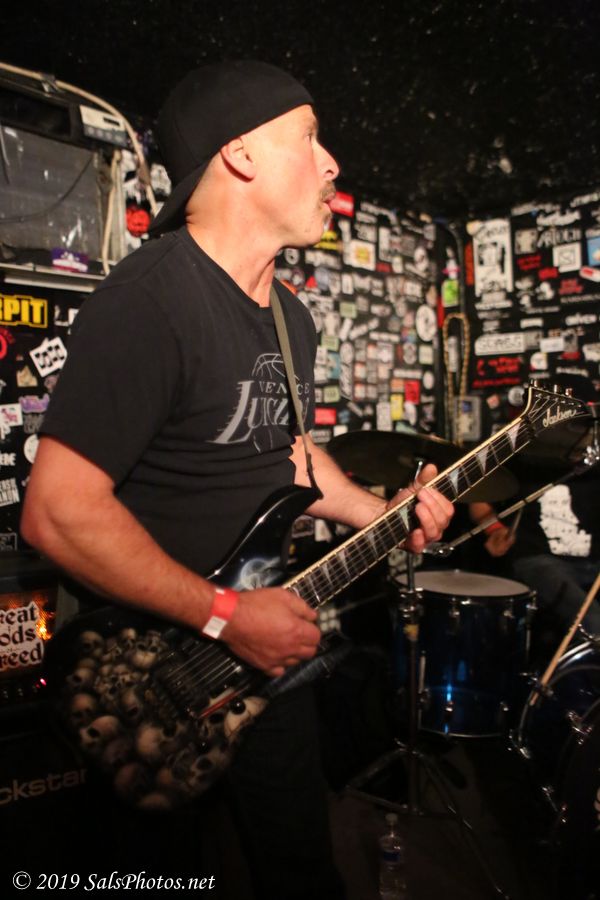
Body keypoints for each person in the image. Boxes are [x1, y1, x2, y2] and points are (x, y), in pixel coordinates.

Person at [21, 61, 453, 898]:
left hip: (265, 663)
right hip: (153, 671)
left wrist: (383, 511)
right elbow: (57, 514)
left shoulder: (291, 319)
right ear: (242, 154)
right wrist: (225, 616)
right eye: (309, 138)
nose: (331, 162)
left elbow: (288, 455)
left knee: (303, 872)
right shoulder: (150, 300)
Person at [469, 375, 600, 659]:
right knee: (594, 624)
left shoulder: (594, 458)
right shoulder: (522, 454)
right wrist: (494, 530)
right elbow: (478, 497)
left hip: (593, 561)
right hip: (538, 558)